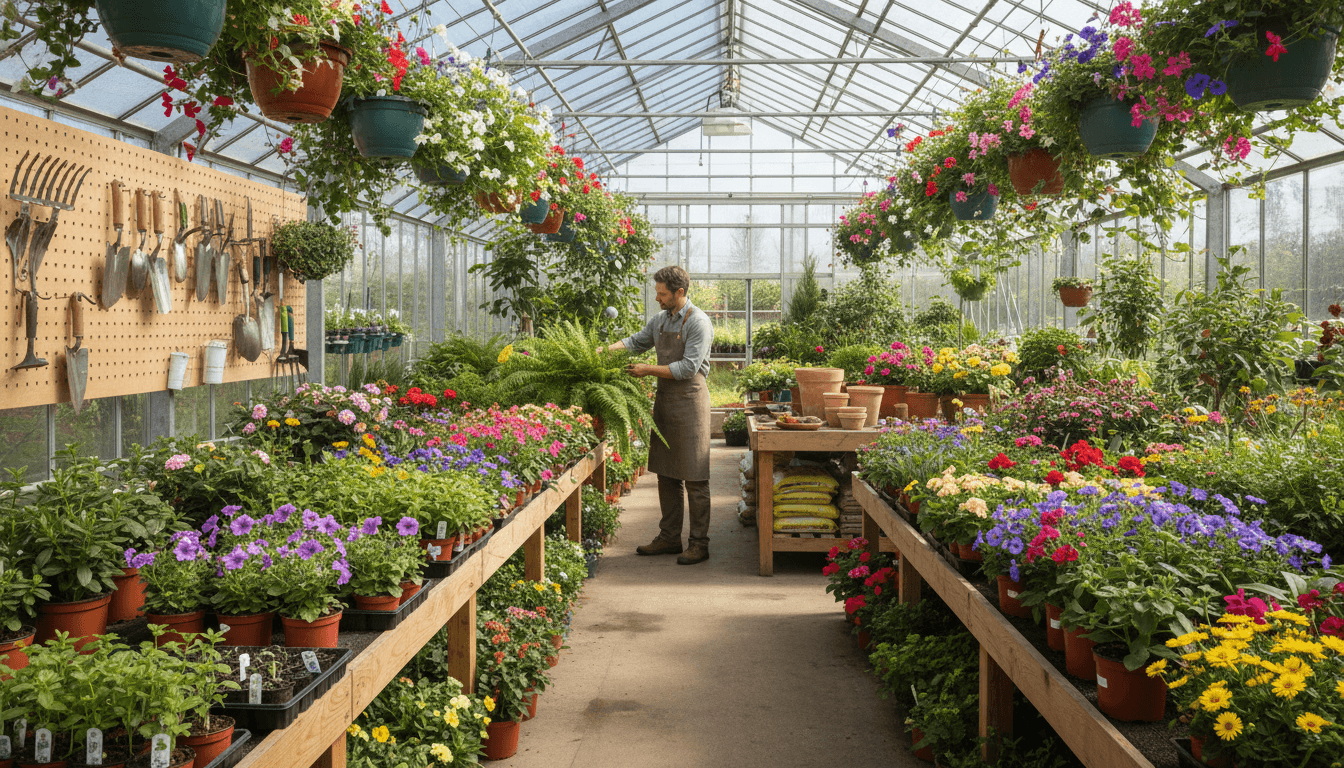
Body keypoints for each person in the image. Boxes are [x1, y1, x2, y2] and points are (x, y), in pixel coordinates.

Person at [599, 265, 714, 564]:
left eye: (662, 294)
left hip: (691, 402)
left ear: (680, 292)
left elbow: (688, 367)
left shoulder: (698, 322)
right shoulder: (661, 320)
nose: (657, 299)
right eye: (657, 293)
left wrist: (647, 369)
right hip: (666, 402)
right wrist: (604, 351)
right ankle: (669, 537)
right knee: (667, 473)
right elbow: (636, 342)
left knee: (695, 477)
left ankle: (699, 543)